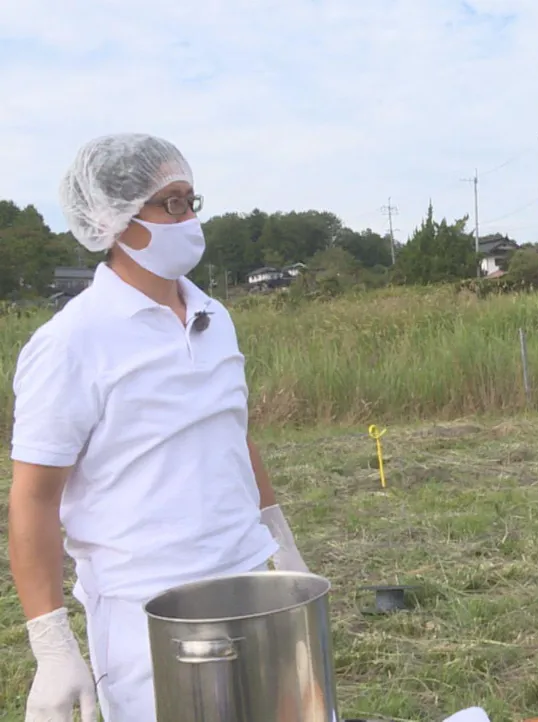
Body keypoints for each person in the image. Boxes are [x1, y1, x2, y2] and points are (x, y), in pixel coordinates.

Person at [8, 133, 310, 722]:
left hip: (251, 588)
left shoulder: (212, 315)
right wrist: (50, 642)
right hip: (150, 617)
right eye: (170, 203)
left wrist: (283, 545)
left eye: (192, 199)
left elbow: (233, 433)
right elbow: (33, 497)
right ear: (113, 219)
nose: (189, 217)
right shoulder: (71, 343)